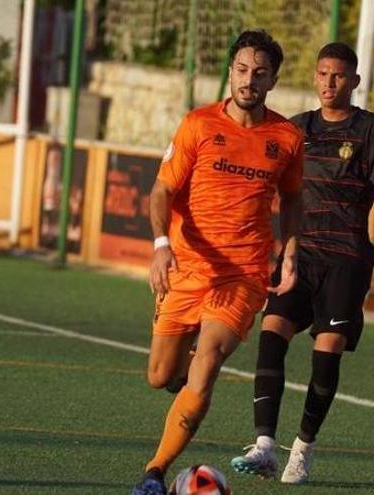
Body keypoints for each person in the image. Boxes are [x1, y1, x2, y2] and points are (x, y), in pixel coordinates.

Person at [131, 29, 305, 495]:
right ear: (230, 72)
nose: (250, 80)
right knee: (160, 377)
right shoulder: (198, 125)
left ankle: (154, 472)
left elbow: (291, 199)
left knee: (207, 362)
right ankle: (180, 374)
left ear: (273, 80)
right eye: (243, 70)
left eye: (260, 73)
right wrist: (160, 246)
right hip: (187, 267)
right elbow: (162, 191)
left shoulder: (286, 137)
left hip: (243, 274)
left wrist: (290, 250)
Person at [230, 41, 374, 485]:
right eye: (324, 74)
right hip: (299, 254)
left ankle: (302, 450)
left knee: (326, 355)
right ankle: (265, 444)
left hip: (346, 259)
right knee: (272, 333)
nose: (330, 82)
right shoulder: (295, 129)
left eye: (340, 75)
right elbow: (269, 187)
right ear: (314, 77)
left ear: (355, 81)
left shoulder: (372, 130)